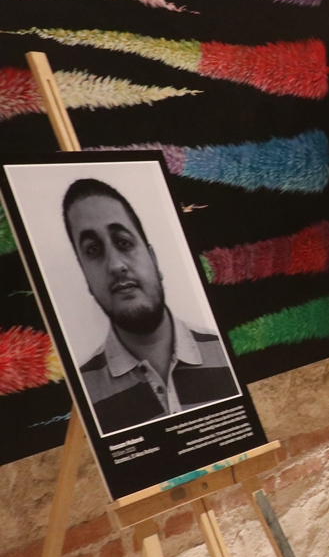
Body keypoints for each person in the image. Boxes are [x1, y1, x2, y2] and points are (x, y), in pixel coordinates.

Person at [64, 178, 235, 433]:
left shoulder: (226, 354)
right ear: (86, 278)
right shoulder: (83, 393)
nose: (116, 265)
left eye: (123, 242)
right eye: (93, 250)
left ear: (153, 259)